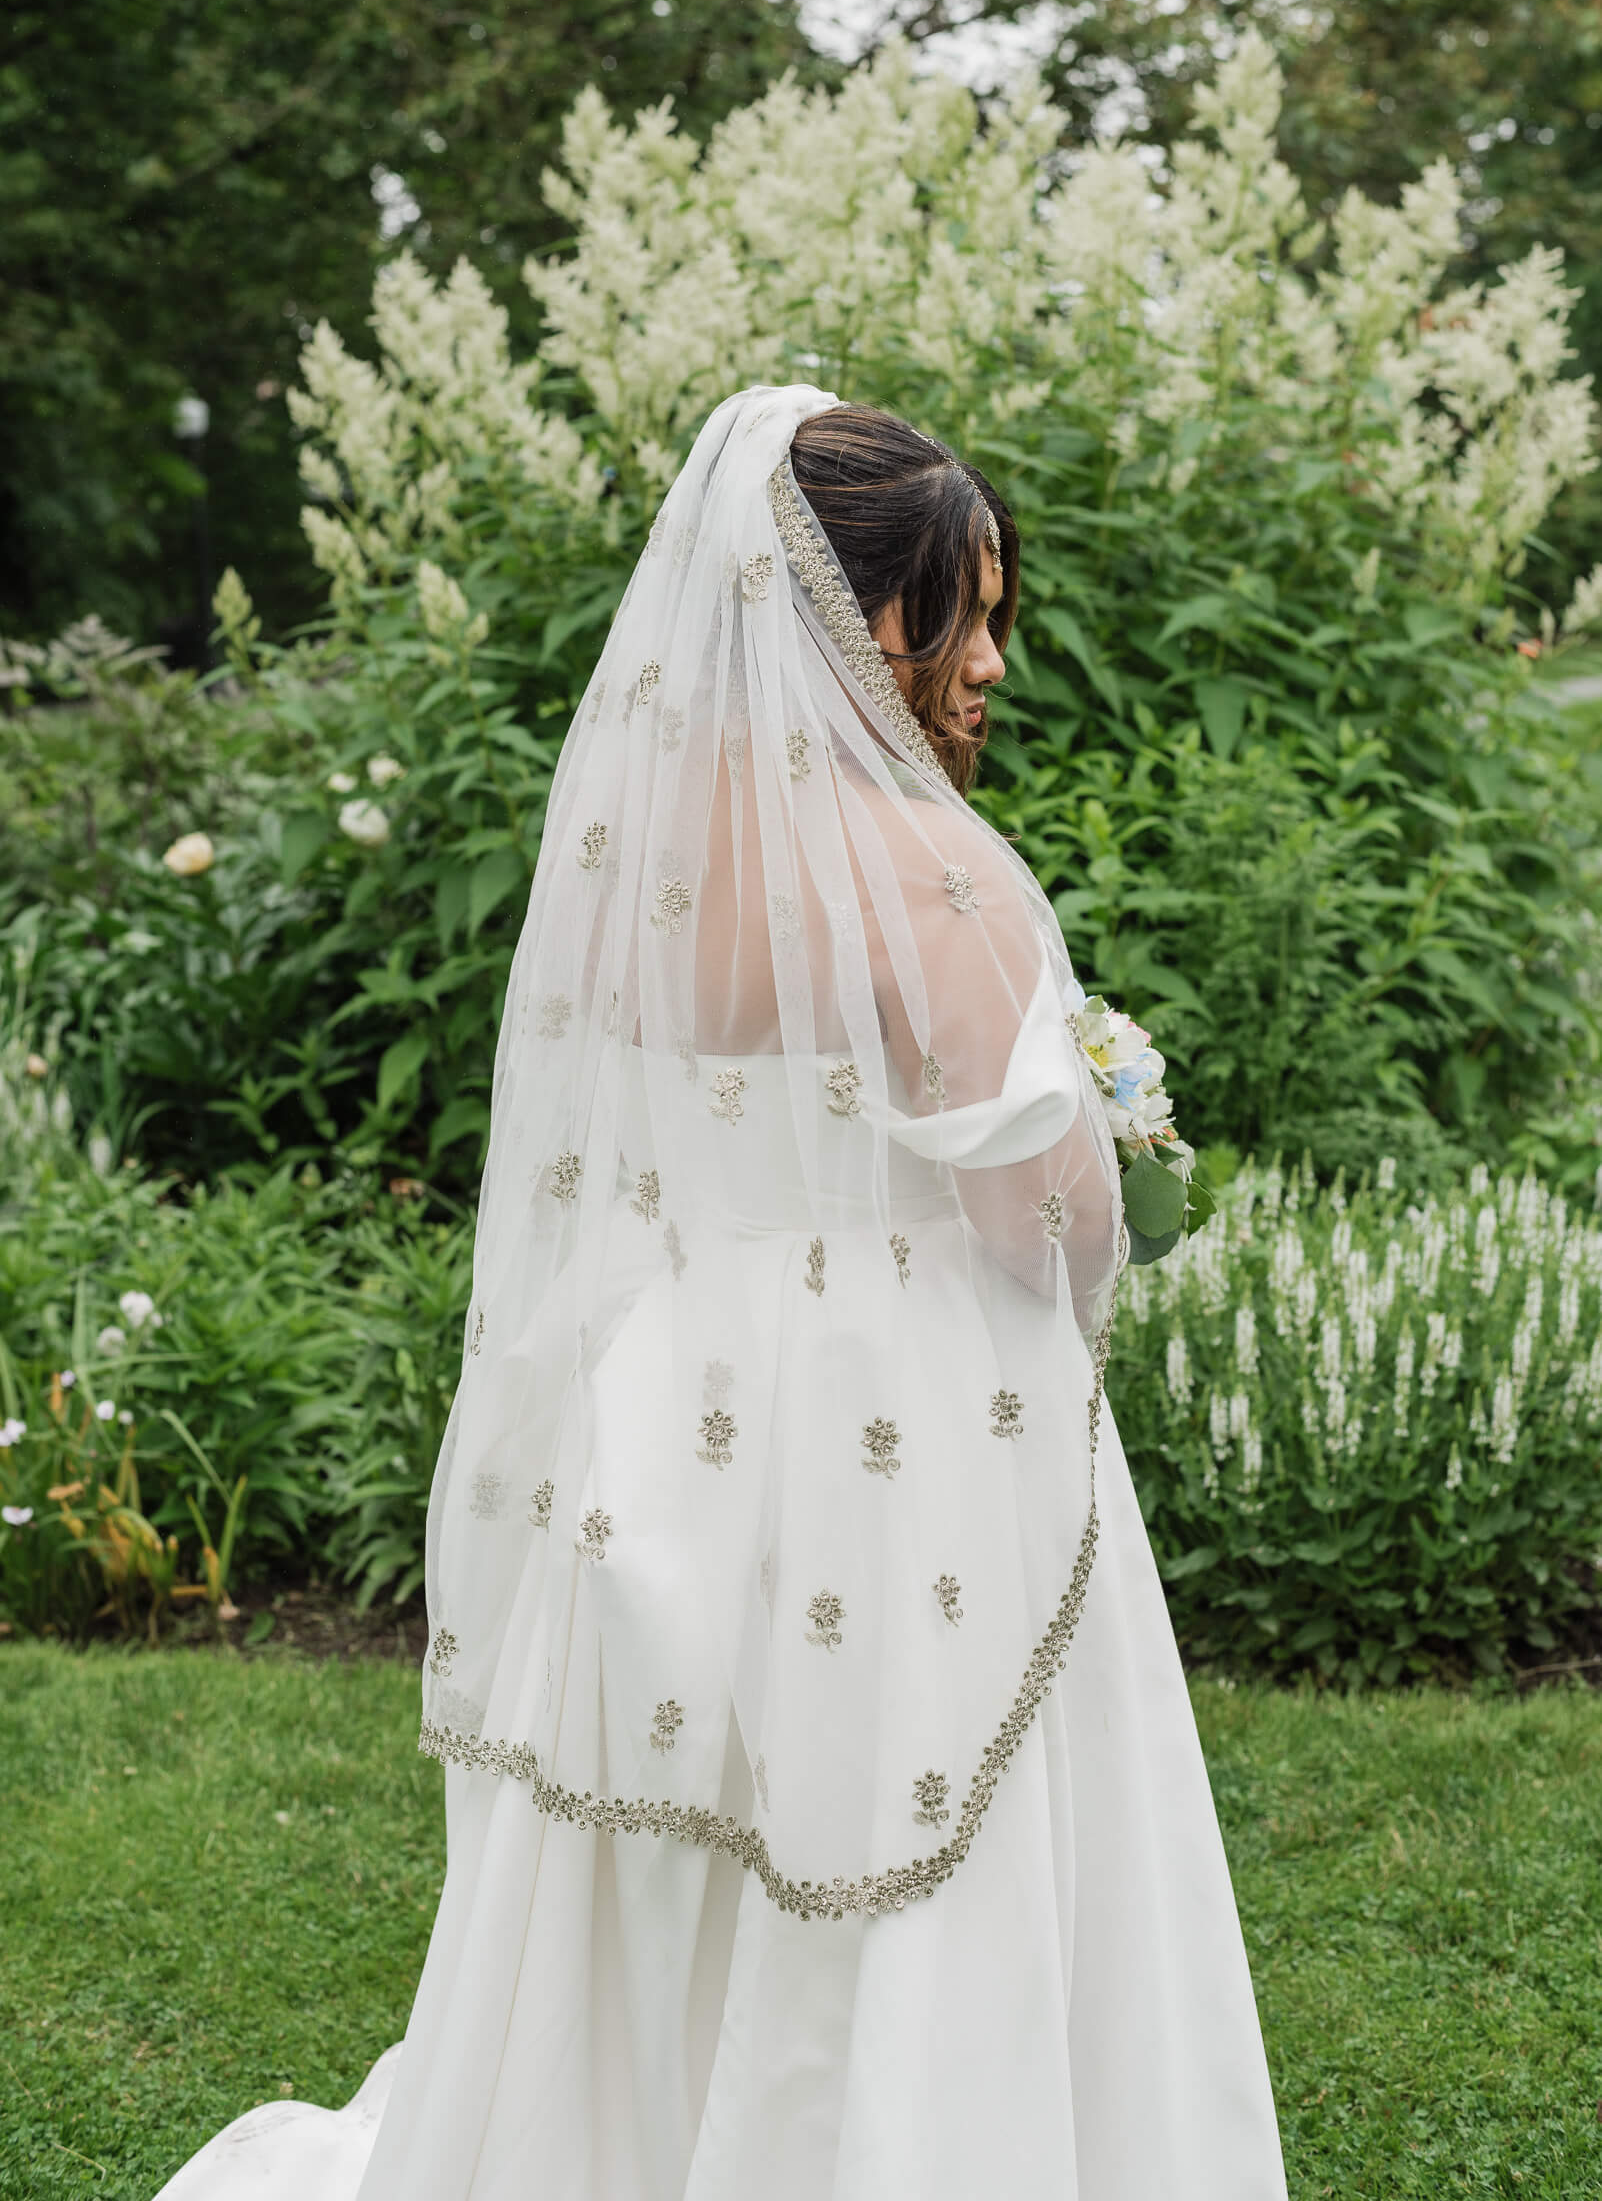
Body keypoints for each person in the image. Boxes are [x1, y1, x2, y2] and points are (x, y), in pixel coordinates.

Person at [157, 386, 1287, 2200]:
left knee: (660, 1858)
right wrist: (1121, 1159)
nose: (990, 658)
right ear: (857, 614)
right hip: (912, 1423)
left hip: (673, 1413)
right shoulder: (947, 882)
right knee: (915, 1830)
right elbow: (1039, 1226)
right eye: (962, 612)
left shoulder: (642, 863)